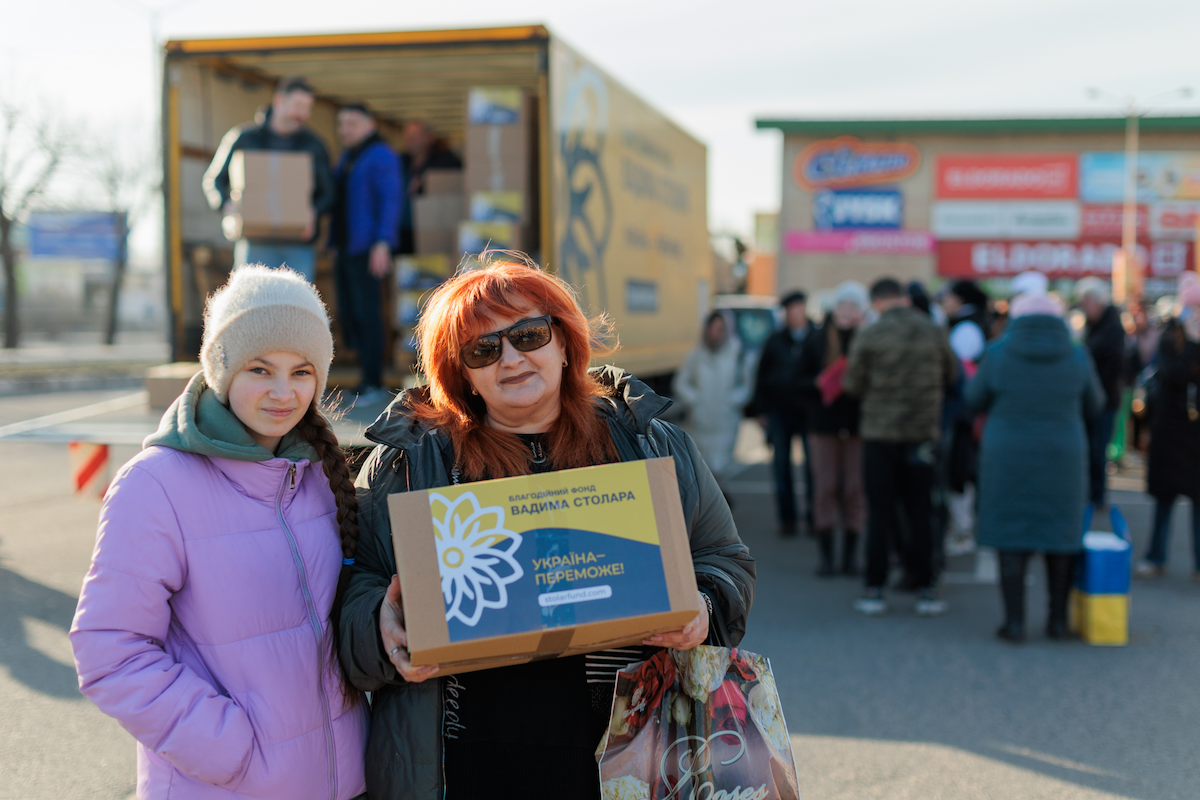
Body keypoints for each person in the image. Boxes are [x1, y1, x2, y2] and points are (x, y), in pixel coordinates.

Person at [336, 259, 756, 799]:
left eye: (529, 334)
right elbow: (352, 588)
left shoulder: (649, 443)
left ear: (564, 343)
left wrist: (703, 608)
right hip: (467, 765)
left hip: (632, 754)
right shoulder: (410, 465)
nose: (510, 358)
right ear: (461, 372)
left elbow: (724, 559)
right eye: (482, 349)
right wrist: (379, 626)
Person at [70, 266, 368, 798]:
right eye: (260, 369)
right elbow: (108, 649)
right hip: (223, 785)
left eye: (302, 372)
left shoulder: (321, 475)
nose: (283, 392)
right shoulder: (155, 486)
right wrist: (229, 749)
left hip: (341, 782)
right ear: (221, 368)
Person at [966, 292, 1103, 642]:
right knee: (1059, 538)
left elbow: (973, 399)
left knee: (1010, 537)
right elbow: (1095, 404)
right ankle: (1057, 621)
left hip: (1007, 454)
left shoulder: (997, 353)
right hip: (1063, 456)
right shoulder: (1076, 354)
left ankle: (1013, 623)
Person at [843, 277, 958, 616]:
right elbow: (952, 375)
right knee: (921, 511)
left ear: (877, 301)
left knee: (880, 512)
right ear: (904, 299)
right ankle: (927, 589)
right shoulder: (933, 330)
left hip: (880, 435)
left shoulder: (871, 334)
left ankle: (874, 588)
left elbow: (852, 384)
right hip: (922, 434)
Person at [203, 76, 334, 281]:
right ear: (280, 100)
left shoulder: (314, 146)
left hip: (298, 245)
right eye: (298, 106)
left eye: (307, 108)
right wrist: (225, 204)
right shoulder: (243, 139)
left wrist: (314, 211)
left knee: (295, 309)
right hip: (255, 244)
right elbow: (213, 180)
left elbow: (329, 192)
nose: (303, 114)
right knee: (253, 305)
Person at [329, 103, 404, 405]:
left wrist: (383, 243)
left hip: (368, 248)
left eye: (353, 123)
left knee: (368, 314)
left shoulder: (382, 155)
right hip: (346, 248)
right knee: (349, 313)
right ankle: (364, 377)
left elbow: (391, 200)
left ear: (370, 125)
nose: (346, 129)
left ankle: (373, 381)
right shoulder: (348, 157)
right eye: (342, 123)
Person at [796, 281, 868, 577]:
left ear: (861, 312)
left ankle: (850, 557)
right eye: (842, 305)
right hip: (823, 426)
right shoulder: (817, 340)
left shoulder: (867, 341)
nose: (846, 312)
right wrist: (818, 384)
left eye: (852, 307)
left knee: (854, 490)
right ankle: (827, 558)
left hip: (857, 428)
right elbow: (795, 382)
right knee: (824, 490)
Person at [1135, 272, 1200, 581]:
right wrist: (1191, 345)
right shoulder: (1169, 336)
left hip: (1195, 432)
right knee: (1164, 498)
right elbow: (1171, 375)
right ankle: (1155, 556)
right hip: (1170, 428)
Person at [752, 290, 815, 536]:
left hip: (808, 413)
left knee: (813, 469)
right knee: (781, 467)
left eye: (797, 309)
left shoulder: (816, 338)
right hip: (779, 412)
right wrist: (761, 410)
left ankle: (813, 517)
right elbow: (761, 375)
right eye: (789, 310)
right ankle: (787, 519)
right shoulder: (775, 340)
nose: (794, 314)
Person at [672, 310, 754, 481]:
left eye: (720, 328)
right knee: (702, 471)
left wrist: (732, 401)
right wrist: (696, 400)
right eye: (713, 328)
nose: (716, 332)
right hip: (700, 425)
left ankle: (719, 503)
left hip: (725, 424)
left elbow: (746, 385)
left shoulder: (736, 354)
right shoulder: (695, 355)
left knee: (720, 470)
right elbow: (681, 383)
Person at [1076, 277, 1125, 508]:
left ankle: (1097, 496)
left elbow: (1112, 365)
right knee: (1092, 449)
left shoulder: (1112, 327)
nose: (1084, 307)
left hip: (1104, 399)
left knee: (1097, 450)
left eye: (1086, 301)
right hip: (1095, 398)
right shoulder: (1095, 325)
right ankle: (1093, 493)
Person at [397, 118, 463, 253]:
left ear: (429, 138)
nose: (411, 141)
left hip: (430, 228)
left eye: (416, 137)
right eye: (408, 137)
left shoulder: (445, 160)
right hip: (402, 228)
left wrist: (424, 181)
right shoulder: (400, 162)